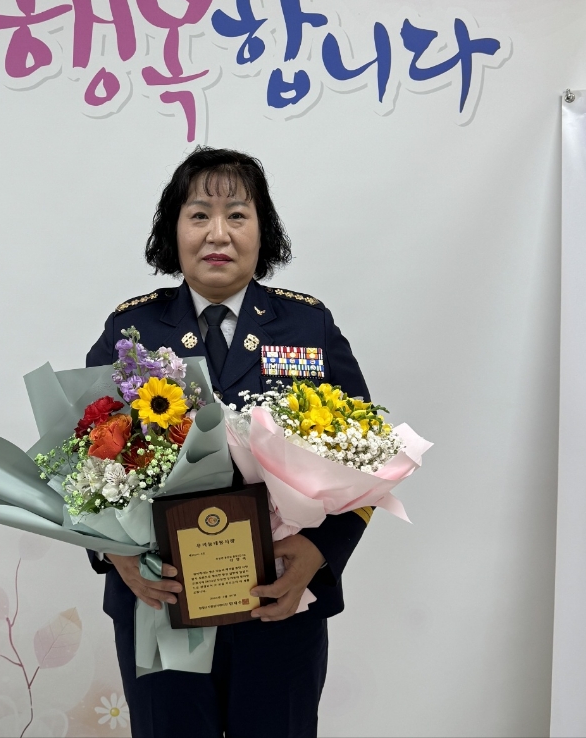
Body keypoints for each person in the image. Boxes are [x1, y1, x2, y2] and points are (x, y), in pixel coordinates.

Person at [86, 147, 372, 738]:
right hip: (161, 601)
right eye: (199, 215)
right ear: (173, 230)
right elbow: (82, 458)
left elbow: (367, 456)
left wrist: (318, 552)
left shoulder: (308, 325)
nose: (218, 233)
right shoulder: (131, 329)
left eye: (237, 215)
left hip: (278, 601)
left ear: (264, 231)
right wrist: (115, 553)